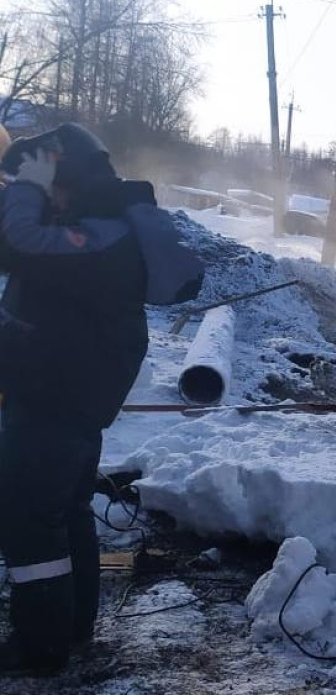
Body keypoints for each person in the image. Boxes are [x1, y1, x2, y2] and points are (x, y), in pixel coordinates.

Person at [0, 123, 203, 675]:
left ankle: (41, 646)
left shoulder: (97, 237)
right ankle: (70, 626)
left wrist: (28, 189)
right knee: (62, 514)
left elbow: (12, 242)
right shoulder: (95, 231)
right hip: (60, 400)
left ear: (67, 180)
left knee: (28, 520)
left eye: (45, 180)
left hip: (53, 403)